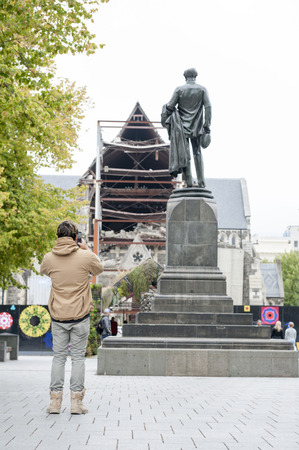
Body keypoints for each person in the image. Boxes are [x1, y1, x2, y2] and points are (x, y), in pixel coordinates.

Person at [40, 220, 103, 415]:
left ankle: (55, 403)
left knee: (58, 358)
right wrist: (86, 249)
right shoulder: (85, 257)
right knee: (77, 359)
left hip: (58, 316)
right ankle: (76, 404)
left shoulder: (49, 258)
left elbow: (43, 270)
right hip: (80, 316)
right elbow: (99, 268)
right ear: (76, 238)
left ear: (57, 237)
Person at [161, 68, 212, 188]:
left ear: (185, 77)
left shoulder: (179, 89)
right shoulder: (202, 89)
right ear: (195, 76)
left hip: (182, 126)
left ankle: (189, 182)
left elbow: (170, 106)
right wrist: (207, 125)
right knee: (197, 152)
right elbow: (208, 107)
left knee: (185, 153)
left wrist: (165, 109)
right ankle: (201, 182)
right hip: (197, 126)